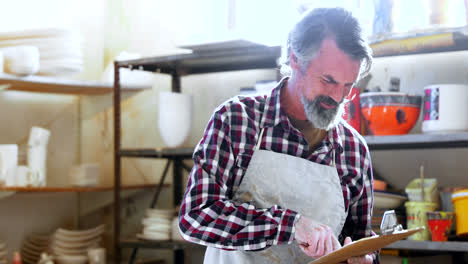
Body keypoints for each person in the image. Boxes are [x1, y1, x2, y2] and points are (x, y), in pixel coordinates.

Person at [179, 7, 378, 264]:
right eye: (328, 80)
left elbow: (361, 242)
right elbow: (196, 217)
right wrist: (290, 226)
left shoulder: (353, 149)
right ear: (295, 60)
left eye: (348, 86)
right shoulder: (237, 120)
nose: (338, 97)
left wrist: (365, 260)